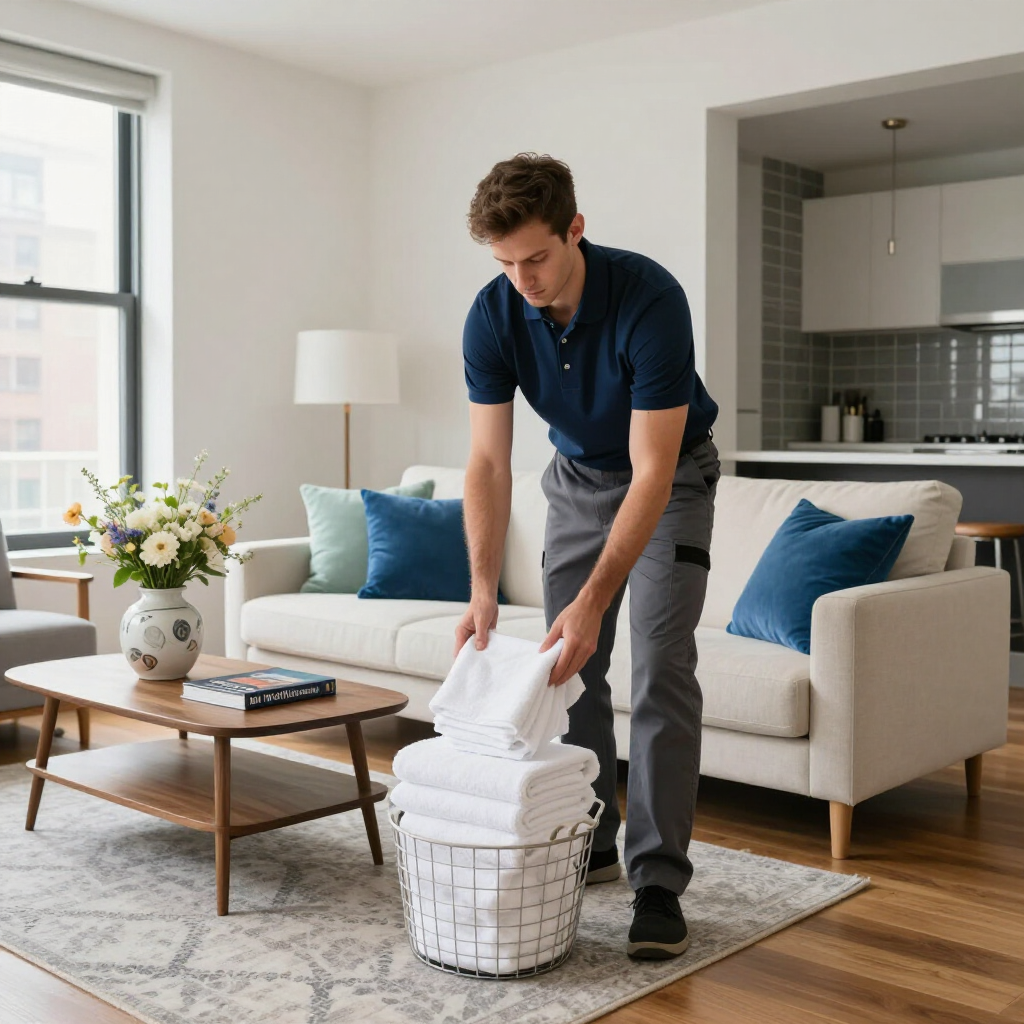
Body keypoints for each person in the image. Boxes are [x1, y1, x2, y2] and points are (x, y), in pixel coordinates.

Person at [454, 152, 719, 960]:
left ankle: (659, 883)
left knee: (661, 664)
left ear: (576, 228)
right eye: (504, 263)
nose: (522, 280)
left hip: (668, 478)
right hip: (573, 480)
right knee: (568, 667)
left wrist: (595, 598)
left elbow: (652, 469)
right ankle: (592, 840)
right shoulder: (493, 312)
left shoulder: (649, 299)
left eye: (535, 257)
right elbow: (490, 463)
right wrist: (480, 588)